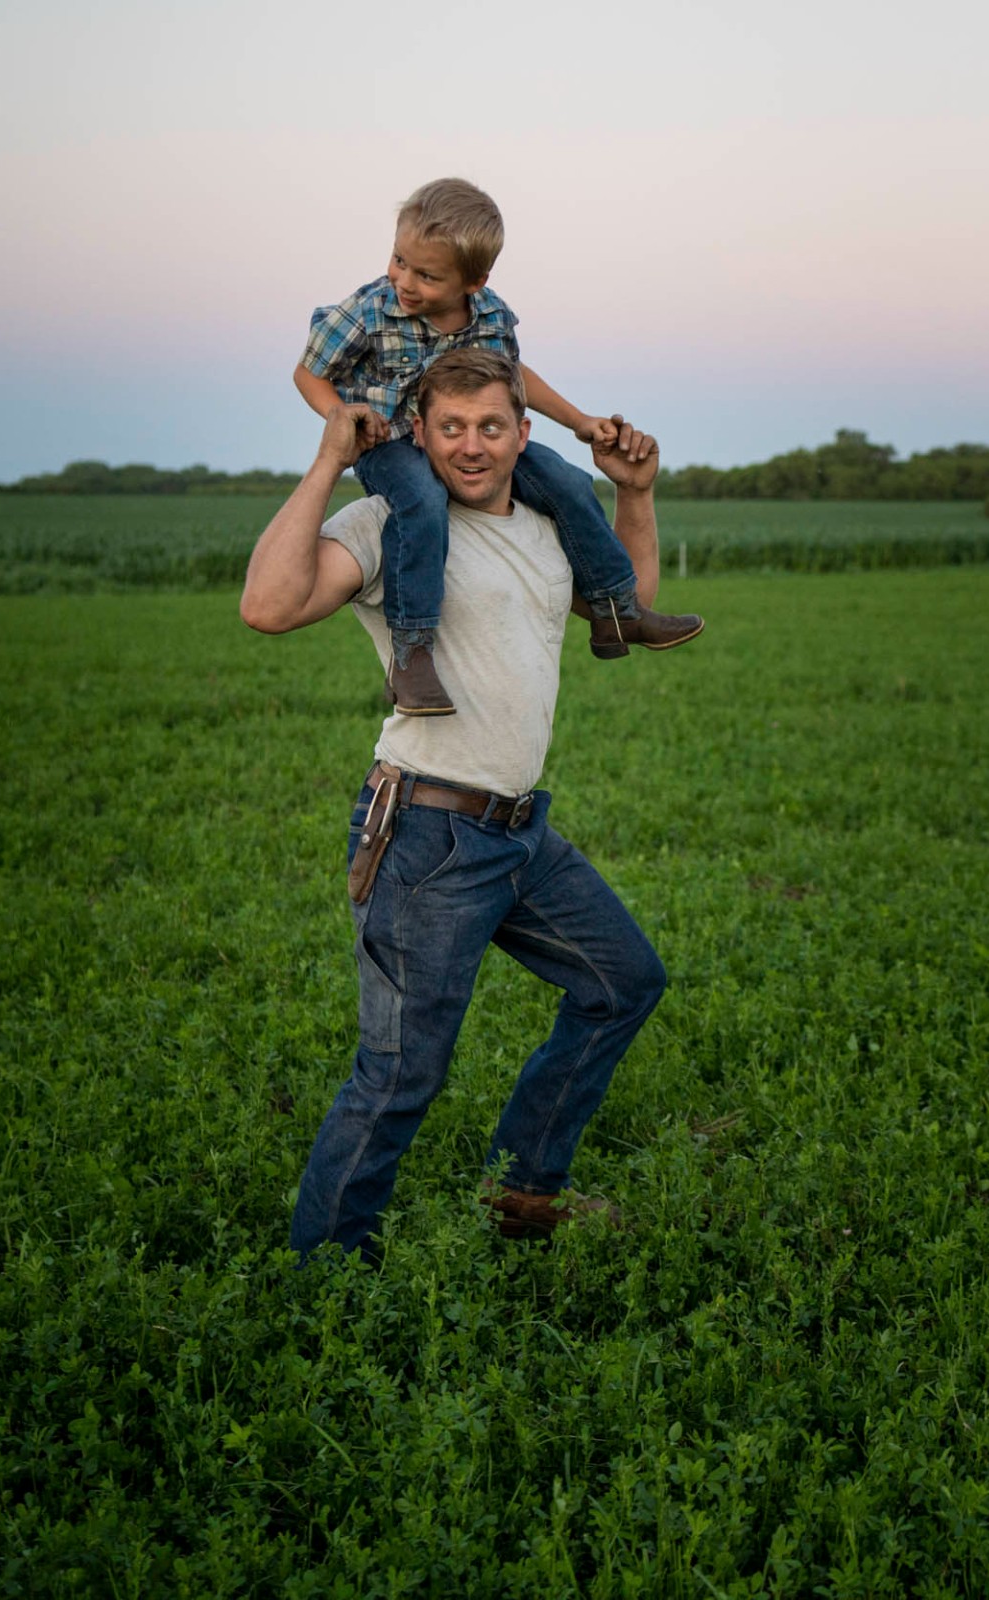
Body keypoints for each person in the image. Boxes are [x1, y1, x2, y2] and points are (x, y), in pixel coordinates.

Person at [243, 348, 669, 1262]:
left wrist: (632, 495)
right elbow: (268, 608)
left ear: (522, 430)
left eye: (490, 427)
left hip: (521, 832)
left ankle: (521, 1191)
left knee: (621, 983)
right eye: (450, 429)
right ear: (421, 435)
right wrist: (328, 461)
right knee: (400, 1074)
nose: (471, 447)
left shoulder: (554, 519)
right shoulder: (392, 522)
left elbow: (624, 605)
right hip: (429, 835)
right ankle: (325, 1275)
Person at [295, 177, 701, 716]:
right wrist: (339, 416)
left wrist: (579, 421)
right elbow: (309, 372)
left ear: (475, 281)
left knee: (568, 480)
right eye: (399, 261)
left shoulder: (489, 315)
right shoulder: (368, 310)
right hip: (390, 443)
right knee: (420, 500)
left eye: (427, 275)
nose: (404, 281)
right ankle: (412, 654)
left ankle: (616, 610)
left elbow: (515, 378)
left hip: (468, 437)